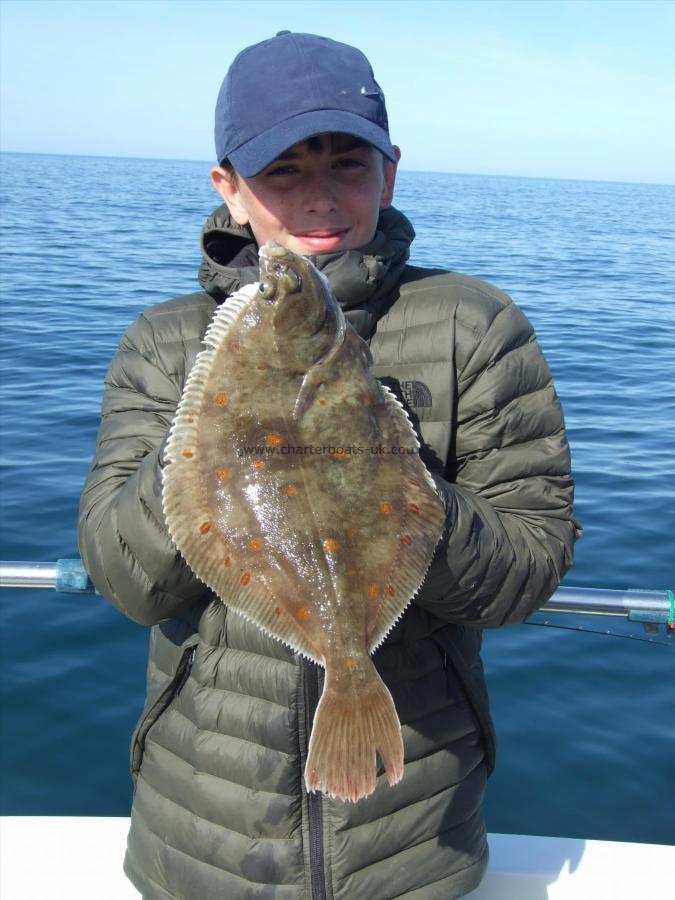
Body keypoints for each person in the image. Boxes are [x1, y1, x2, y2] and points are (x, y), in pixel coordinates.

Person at [78, 31, 581, 900]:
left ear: (389, 173)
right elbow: (130, 585)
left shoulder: (475, 324)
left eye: (347, 164)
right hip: (204, 835)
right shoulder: (164, 344)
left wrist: (399, 483)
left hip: (414, 827)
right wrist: (217, 433)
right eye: (281, 172)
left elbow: (528, 568)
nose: (318, 197)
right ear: (229, 191)